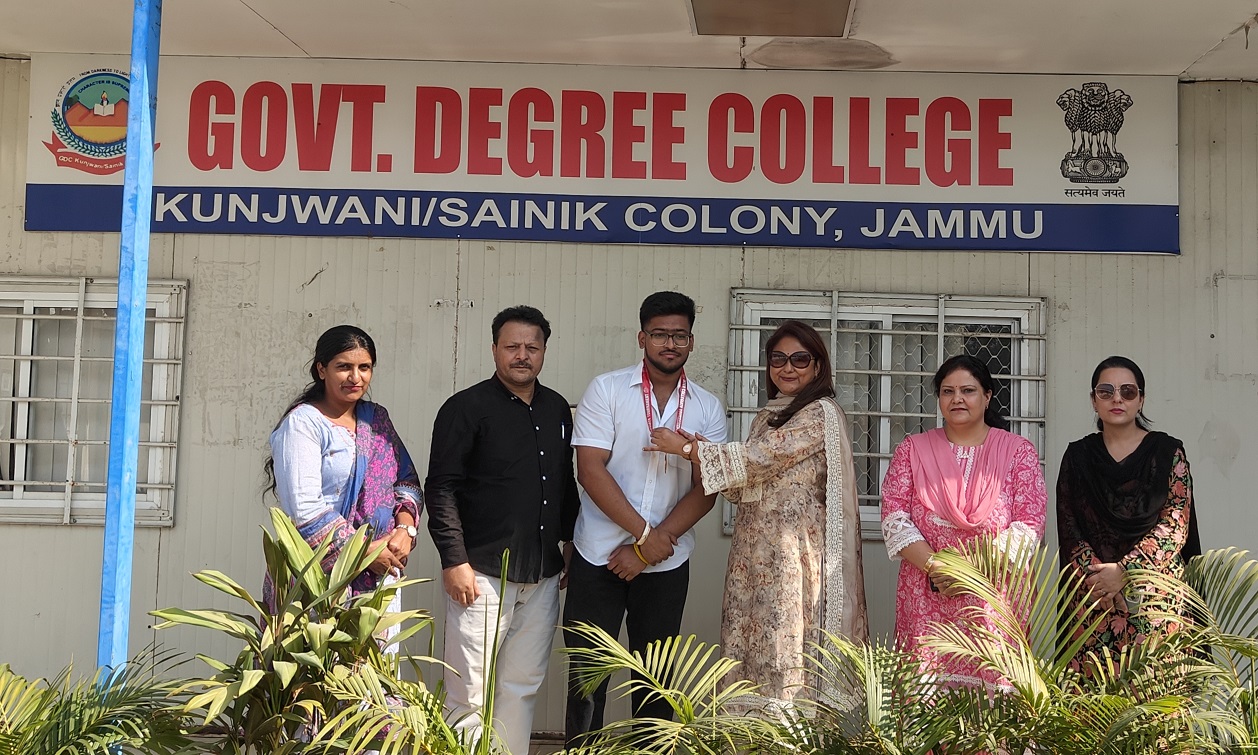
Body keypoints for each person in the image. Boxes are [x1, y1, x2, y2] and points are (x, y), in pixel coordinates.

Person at [645, 320, 869, 713]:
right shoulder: (768, 416)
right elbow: (745, 485)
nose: (788, 367)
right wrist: (703, 453)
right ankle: (753, 735)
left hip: (794, 557)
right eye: (778, 359)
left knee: (787, 647)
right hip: (754, 558)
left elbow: (762, 457)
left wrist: (688, 451)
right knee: (750, 646)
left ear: (818, 365)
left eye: (800, 359)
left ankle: (793, 734)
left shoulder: (821, 413)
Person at [563, 291, 728, 744]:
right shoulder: (607, 390)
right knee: (587, 682)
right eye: (659, 334)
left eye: (679, 335)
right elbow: (589, 469)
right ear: (642, 338)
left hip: (665, 563)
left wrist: (652, 546)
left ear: (691, 341)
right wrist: (643, 535)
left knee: (656, 683)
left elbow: (707, 487)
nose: (669, 344)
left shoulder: (707, 407)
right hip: (597, 557)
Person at [425, 306, 580, 755]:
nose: (522, 355)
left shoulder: (556, 408)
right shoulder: (465, 408)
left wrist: (570, 540)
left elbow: (563, 481)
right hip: (480, 575)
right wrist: (454, 560)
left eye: (532, 347)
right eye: (512, 346)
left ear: (544, 351)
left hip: (543, 573)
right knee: (468, 690)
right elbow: (441, 488)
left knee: (522, 684)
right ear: (494, 348)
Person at [880, 354, 1047, 689]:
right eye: (948, 391)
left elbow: (1029, 522)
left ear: (987, 396)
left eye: (968, 390)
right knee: (925, 694)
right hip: (926, 592)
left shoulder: (1018, 452)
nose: (957, 398)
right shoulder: (912, 450)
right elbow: (894, 515)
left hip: (992, 594)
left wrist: (969, 574)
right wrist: (937, 568)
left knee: (991, 695)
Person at [1056, 355, 1201, 669]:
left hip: (1154, 595)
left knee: (1155, 691)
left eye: (1128, 391)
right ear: (1094, 401)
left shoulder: (1167, 452)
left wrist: (1125, 572)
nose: (1117, 399)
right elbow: (1069, 528)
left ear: (1141, 400)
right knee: (1094, 694)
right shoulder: (1078, 456)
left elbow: (1175, 523)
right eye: (1106, 391)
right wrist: (1100, 581)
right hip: (1093, 597)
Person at [264, 325, 422, 606]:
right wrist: (364, 552)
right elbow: (304, 508)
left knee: (378, 637)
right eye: (344, 367)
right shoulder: (303, 424)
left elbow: (406, 482)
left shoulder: (376, 420)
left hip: (382, 572)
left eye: (364, 367)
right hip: (321, 578)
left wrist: (404, 531)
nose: (355, 377)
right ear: (321, 369)